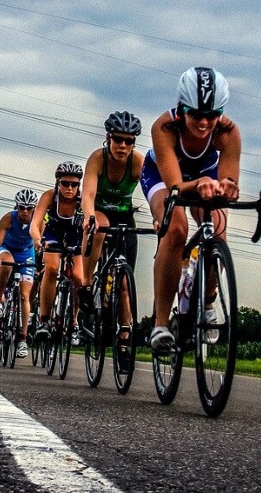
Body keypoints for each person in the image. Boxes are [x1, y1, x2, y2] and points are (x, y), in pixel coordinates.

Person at [139, 67, 241, 351]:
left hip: (203, 175)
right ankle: (159, 324)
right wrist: (202, 184)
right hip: (162, 176)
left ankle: (207, 299)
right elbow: (175, 187)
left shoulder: (229, 132)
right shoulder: (165, 126)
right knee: (176, 228)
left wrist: (228, 188)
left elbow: (228, 181)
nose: (205, 122)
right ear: (182, 108)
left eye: (213, 115)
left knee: (218, 230)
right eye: (196, 114)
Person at [80, 110, 144, 362]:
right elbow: (87, 194)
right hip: (99, 212)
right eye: (118, 139)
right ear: (108, 138)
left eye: (129, 141)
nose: (123, 145)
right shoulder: (98, 159)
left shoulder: (137, 161)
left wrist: (161, 214)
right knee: (100, 225)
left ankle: (124, 340)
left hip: (125, 217)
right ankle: (86, 284)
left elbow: (152, 189)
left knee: (125, 285)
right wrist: (88, 215)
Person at [30, 160, 88, 346]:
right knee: (52, 268)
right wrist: (38, 239)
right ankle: (44, 320)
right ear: (58, 183)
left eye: (74, 184)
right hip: (53, 234)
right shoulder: (50, 196)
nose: (69, 188)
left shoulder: (83, 199)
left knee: (79, 277)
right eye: (65, 183)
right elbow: (35, 223)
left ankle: (74, 322)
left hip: (75, 236)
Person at [0, 189, 39, 358]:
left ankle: (23, 338)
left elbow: (41, 243)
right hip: (7, 249)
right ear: (17, 207)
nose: (25, 211)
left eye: (29, 208)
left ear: (34, 208)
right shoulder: (8, 218)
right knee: (5, 263)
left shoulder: (38, 221)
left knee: (25, 296)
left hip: (27, 253)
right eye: (22, 207)